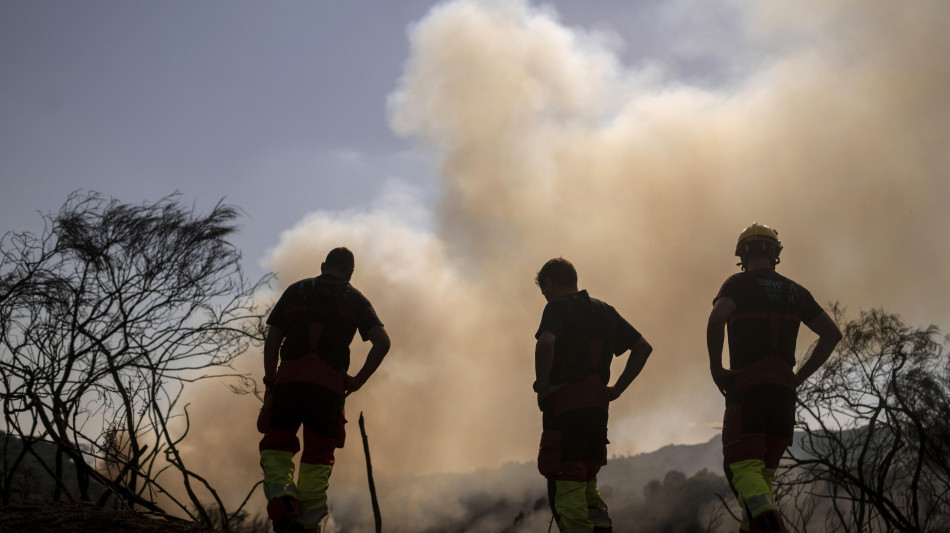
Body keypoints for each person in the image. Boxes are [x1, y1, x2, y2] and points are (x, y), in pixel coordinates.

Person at [707, 223, 842, 533]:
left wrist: (716, 368)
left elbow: (716, 319)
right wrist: (797, 378)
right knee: (763, 478)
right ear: (775, 253)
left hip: (748, 390)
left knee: (741, 467)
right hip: (783, 396)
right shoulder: (796, 291)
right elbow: (832, 334)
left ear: (743, 254)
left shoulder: (737, 284)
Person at [257, 247, 391, 533]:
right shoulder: (356, 300)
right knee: (317, 461)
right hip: (329, 391)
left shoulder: (296, 291)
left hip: (289, 384)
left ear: (322, 266)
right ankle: (308, 527)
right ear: (350, 273)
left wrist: (271, 380)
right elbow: (382, 342)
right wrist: (357, 381)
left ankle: (285, 509)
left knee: (276, 450)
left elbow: (273, 339)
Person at [533, 257, 653, 533]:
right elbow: (643, 348)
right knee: (587, 483)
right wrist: (617, 389)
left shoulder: (557, 307)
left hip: (565, 412)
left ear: (550, 284)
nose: (545, 297)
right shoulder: (605, 311)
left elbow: (546, 344)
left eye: (544, 290)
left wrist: (543, 387)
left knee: (567, 487)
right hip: (598, 414)